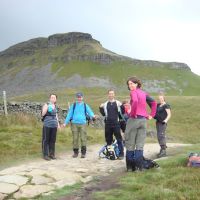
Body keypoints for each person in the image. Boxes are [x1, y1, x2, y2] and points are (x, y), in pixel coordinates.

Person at [125, 76, 157, 171]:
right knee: (140, 145)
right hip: (143, 121)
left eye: (132, 83)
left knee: (130, 144)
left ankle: (130, 168)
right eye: (129, 84)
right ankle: (139, 168)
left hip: (134, 120)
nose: (130, 85)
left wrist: (133, 113)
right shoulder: (144, 93)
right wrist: (151, 115)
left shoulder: (133, 92)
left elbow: (135, 101)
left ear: (136, 84)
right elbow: (154, 103)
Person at [63, 92, 96, 158]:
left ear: (82, 97)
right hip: (74, 124)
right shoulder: (74, 105)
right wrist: (65, 123)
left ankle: (83, 153)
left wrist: (93, 116)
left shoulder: (85, 105)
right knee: (75, 138)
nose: (79, 98)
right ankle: (75, 153)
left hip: (83, 123)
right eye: (78, 97)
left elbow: (90, 112)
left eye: (80, 97)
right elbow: (69, 114)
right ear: (76, 98)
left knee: (83, 138)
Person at [99, 89, 124, 159]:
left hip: (116, 123)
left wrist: (122, 106)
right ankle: (110, 154)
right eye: (110, 94)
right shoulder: (105, 104)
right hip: (108, 124)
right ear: (108, 95)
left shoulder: (118, 103)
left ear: (114, 94)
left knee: (119, 139)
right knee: (108, 140)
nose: (111, 95)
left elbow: (123, 112)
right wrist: (100, 108)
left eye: (112, 93)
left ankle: (121, 154)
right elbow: (103, 114)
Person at [41, 94, 60, 161]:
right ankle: (45, 155)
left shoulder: (55, 106)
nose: (53, 98)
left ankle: (52, 154)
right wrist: (46, 108)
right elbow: (43, 114)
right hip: (47, 124)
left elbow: (56, 116)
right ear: (49, 98)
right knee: (46, 139)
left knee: (52, 140)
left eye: (54, 97)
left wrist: (58, 124)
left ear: (56, 99)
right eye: (52, 97)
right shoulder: (46, 104)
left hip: (54, 125)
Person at [154, 93, 171, 158]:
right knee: (159, 136)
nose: (160, 99)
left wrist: (165, 121)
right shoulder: (158, 105)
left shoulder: (166, 105)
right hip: (158, 122)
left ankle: (164, 151)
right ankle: (161, 150)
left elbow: (169, 114)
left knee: (161, 135)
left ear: (164, 98)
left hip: (163, 123)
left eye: (161, 98)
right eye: (159, 98)